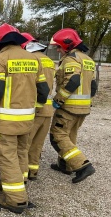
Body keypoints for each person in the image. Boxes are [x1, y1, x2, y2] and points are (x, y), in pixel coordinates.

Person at [0, 23, 49, 214]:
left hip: (7, 122)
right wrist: (33, 109)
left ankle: (15, 199)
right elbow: (44, 91)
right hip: (27, 120)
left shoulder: (2, 59)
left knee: (7, 158)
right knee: (21, 152)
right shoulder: (33, 59)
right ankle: (18, 183)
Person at [48, 28, 97, 183]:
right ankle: (65, 166)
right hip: (84, 107)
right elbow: (94, 86)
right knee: (69, 136)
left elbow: (73, 81)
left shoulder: (71, 59)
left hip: (69, 107)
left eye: (58, 46)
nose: (57, 49)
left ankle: (83, 166)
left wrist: (58, 99)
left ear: (67, 45)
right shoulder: (88, 59)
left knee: (57, 136)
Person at [21, 33, 55, 181]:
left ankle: (21, 177)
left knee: (24, 144)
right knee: (37, 143)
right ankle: (33, 172)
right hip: (48, 109)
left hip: (35, 108)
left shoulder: (31, 59)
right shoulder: (48, 60)